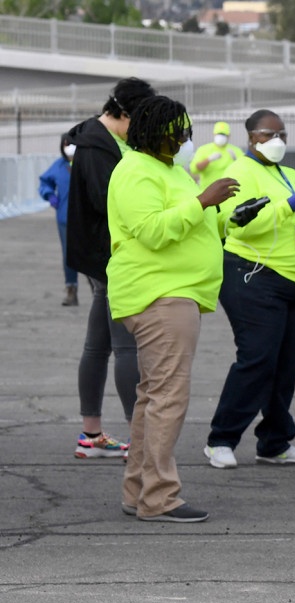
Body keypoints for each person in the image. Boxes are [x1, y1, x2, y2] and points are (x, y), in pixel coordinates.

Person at [106, 95, 238, 523]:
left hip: (173, 293)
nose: (185, 139)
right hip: (159, 294)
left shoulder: (168, 170)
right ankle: (159, 497)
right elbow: (152, 231)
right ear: (154, 133)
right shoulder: (135, 171)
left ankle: (138, 490)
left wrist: (224, 217)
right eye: (178, 132)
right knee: (167, 398)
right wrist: (202, 201)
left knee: (153, 397)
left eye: (187, 132)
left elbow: (188, 223)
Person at [202, 110, 295, 470]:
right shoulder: (239, 173)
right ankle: (221, 439)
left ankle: (274, 441)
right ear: (251, 137)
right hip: (253, 275)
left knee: (287, 364)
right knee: (258, 358)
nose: (277, 141)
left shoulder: (291, 174)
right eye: (268, 134)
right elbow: (237, 227)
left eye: (282, 135)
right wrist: (287, 206)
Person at [65, 76, 154, 460]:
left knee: (98, 345)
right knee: (124, 347)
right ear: (122, 112)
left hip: (103, 255)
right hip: (110, 257)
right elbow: (110, 202)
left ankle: (92, 434)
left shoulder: (98, 139)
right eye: (140, 120)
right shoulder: (98, 146)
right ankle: (141, 439)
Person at [38, 133, 78, 306]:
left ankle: (98, 292)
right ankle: (71, 290)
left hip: (86, 219)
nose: (69, 148)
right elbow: (44, 183)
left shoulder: (86, 165)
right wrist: (49, 195)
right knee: (69, 254)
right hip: (65, 218)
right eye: (66, 145)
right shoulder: (58, 166)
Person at [189, 120, 243, 189]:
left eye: (223, 134)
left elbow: (244, 170)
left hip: (230, 190)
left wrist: (236, 161)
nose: (221, 137)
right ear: (214, 134)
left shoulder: (236, 151)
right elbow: (194, 169)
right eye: (219, 134)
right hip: (208, 190)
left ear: (229, 136)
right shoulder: (203, 149)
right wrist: (208, 160)